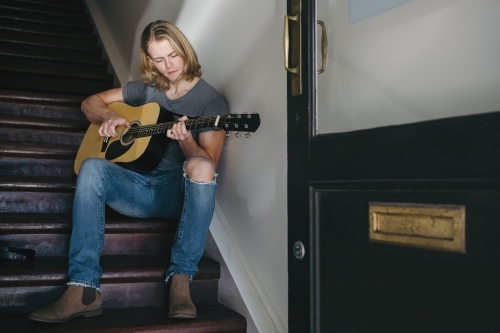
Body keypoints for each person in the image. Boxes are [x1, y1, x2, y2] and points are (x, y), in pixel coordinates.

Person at [28, 20, 229, 322]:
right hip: (134, 189)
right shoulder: (147, 90)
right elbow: (89, 102)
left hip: (175, 195)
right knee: (92, 166)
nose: (167, 65)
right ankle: (84, 288)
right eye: (158, 59)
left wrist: (186, 139)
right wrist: (108, 115)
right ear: (149, 60)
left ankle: (180, 277)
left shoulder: (210, 101)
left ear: (185, 50)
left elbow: (209, 163)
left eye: (173, 55)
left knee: (200, 166)